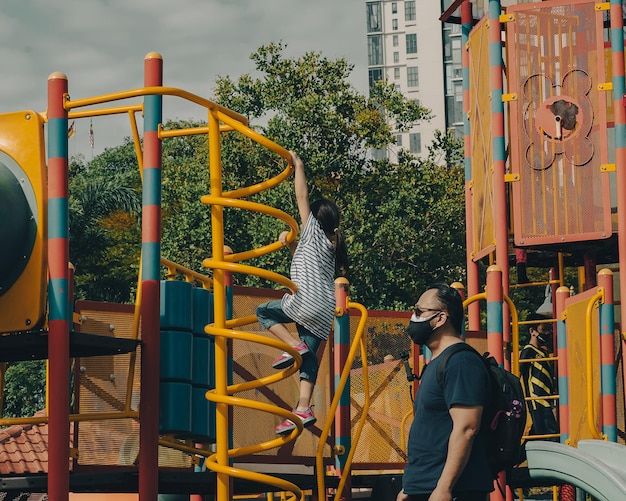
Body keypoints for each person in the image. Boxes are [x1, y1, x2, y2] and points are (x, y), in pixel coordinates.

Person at [256, 151, 348, 435]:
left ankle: (292, 344)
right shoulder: (330, 245)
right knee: (309, 361)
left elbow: (301, 197)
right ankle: (304, 408)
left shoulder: (312, 230)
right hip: (325, 310)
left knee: (264, 312)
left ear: (315, 220)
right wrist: (290, 244)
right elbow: (304, 261)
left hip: (306, 301)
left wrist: (299, 166)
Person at [397, 283, 493, 501]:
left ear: (440, 318)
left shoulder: (461, 362)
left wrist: (444, 487)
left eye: (419, 312)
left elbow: (467, 427)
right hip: (425, 487)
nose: (413, 318)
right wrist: (411, 486)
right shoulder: (435, 364)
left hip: (454, 491)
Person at [519, 313, 559, 439]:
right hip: (537, 399)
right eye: (543, 330)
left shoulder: (544, 352)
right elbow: (520, 373)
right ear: (532, 331)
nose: (547, 333)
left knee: (538, 434)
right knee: (551, 435)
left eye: (548, 330)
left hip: (547, 398)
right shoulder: (528, 351)